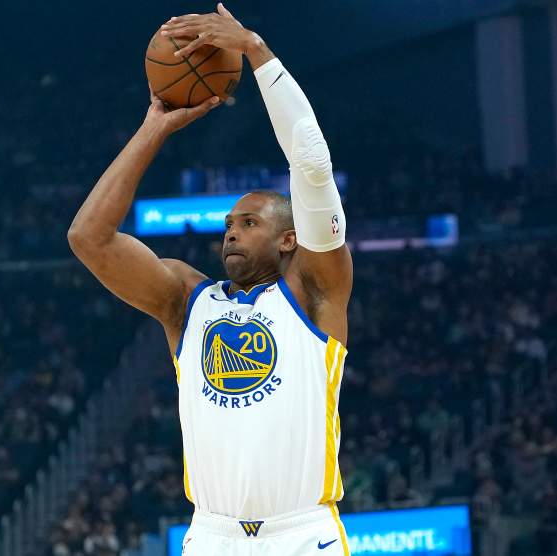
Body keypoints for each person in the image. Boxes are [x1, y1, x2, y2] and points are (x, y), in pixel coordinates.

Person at [68, 4, 352, 554]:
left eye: (249, 223)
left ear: (289, 239)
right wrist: (154, 128)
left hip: (302, 532)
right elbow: (89, 238)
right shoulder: (187, 299)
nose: (232, 233)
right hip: (212, 534)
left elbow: (312, 163)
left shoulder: (315, 290)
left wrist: (256, 50)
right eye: (228, 225)